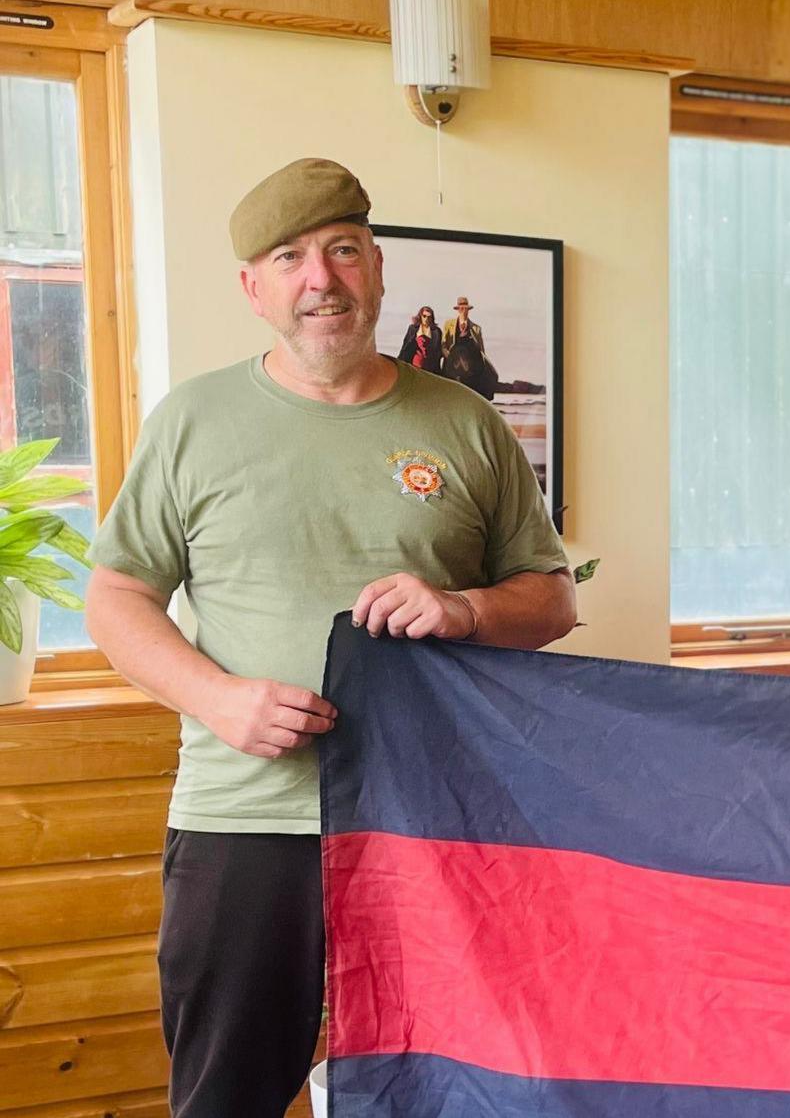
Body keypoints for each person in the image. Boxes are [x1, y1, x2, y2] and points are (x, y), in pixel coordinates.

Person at [82, 157, 578, 1118]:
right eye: (291, 257)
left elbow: (552, 598)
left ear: (378, 266)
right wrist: (219, 698)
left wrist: (467, 608)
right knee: (226, 1096)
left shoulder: (467, 423)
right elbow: (115, 599)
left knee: (448, 1091)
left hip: (432, 825)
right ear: (254, 288)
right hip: (244, 826)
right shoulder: (192, 421)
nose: (322, 278)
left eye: (343, 250)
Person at [440, 295, 498, 399]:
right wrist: (449, 357)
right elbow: (443, 344)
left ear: (468, 310)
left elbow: (481, 349)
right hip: (453, 361)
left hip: (470, 362)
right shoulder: (449, 324)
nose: (463, 310)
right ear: (457, 309)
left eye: (465, 308)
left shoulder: (476, 328)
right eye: (461, 308)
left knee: (492, 376)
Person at [397, 303, 442, 373]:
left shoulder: (436, 331)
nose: (426, 319)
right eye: (424, 316)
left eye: (429, 317)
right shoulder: (413, 328)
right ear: (420, 316)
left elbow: (437, 352)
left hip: (429, 367)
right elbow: (405, 346)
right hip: (414, 365)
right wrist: (399, 363)